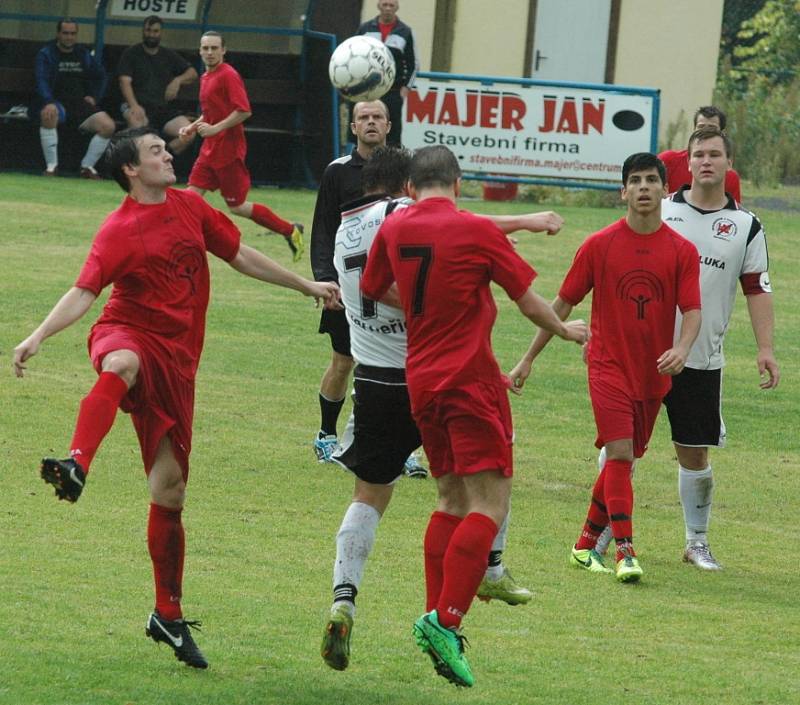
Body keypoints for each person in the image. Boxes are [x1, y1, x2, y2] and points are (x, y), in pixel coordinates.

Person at [12, 127, 340, 670]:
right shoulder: (118, 229)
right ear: (131, 172)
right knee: (121, 363)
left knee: (170, 492)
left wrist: (307, 286)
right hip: (127, 332)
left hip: (179, 363)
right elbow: (85, 292)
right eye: (156, 152)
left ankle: (168, 613)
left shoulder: (190, 207)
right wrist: (38, 335)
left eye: (165, 148)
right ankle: (76, 462)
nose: (168, 155)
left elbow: (241, 255)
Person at [320, 146, 564, 671]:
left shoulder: (373, 228)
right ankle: (447, 616)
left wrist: (418, 303)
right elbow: (525, 296)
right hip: (468, 378)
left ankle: (389, 605)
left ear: (411, 187)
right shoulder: (475, 229)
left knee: (447, 500)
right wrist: (565, 329)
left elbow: (368, 286)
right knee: (490, 504)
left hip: (411, 380)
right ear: (457, 182)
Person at [509, 153, 702, 584]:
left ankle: (583, 545)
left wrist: (683, 349)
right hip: (606, 367)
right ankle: (625, 551)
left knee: (627, 459)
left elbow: (692, 310)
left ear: (665, 190)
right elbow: (561, 306)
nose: (644, 188)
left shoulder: (682, 251)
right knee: (618, 454)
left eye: (652, 180)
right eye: (635, 181)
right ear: (623, 192)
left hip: (654, 373)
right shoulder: (599, 245)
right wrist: (527, 358)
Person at [660, 126, 778, 569]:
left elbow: (757, 288)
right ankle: (608, 532)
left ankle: (697, 542)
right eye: (698, 154)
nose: (706, 161)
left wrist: (765, 348)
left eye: (714, 154)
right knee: (621, 446)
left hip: (700, 359)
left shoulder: (746, 226)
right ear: (686, 163)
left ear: (729, 165)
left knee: (694, 451)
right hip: (646, 352)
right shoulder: (662, 210)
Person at [311, 99, 428, 473]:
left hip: (394, 291)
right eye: (364, 117)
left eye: (378, 116)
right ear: (353, 127)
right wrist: (325, 280)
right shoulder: (338, 172)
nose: (371, 122)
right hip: (349, 289)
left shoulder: (405, 173)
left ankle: (403, 446)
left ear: (389, 125)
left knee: (400, 366)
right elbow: (323, 230)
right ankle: (327, 434)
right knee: (344, 361)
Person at [178, 31, 304, 262]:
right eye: (205, 48)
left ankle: (290, 230)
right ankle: (182, 245)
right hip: (209, 151)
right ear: (199, 50)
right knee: (189, 199)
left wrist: (216, 129)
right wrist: (193, 127)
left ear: (224, 50)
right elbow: (209, 113)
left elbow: (244, 110)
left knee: (237, 207)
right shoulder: (206, 77)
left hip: (228, 153)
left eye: (214, 48)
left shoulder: (228, 75)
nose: (209, 52)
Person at [32, 18, 116, 178]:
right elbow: (41, 80)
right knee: (48, 114)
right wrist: (49, 101)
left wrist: (94, 96)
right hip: (55, 102)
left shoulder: (82, 53)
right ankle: (52, 167)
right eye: (65, 33)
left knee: (108, 126)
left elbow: (101, 76)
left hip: (78, 103)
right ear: (58, 34)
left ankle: (87, 167)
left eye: (72, 33)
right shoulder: (46, 53)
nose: (69, 37)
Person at [118, 15, 199, 155]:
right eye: (148, 30)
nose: (151, 34)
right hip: (136, 105)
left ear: (161, 33)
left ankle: (162, 157)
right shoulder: (131, 53)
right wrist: (134, 105)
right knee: (138, 128)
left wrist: (177, 81)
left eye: (155, 31)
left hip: (162, 108)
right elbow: (124, 82)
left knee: (188, 132)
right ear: (143, 31)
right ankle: (134, 167)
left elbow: (192, 73)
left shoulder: (168, 55)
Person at [355, 0, 418, 146]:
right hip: (368, 91)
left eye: (391, 5)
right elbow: (355, 55)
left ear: (397, 7)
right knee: (364, 128)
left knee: (391, 133)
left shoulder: (405, 31)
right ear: (379, 6)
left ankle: (392, 165)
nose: (388, 9)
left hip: (393, 92)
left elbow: (413, 64)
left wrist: (406, 88)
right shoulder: (365, 28)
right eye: (385, 5)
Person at [659, 106, 742, 201]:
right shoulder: (668, 160)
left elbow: (733, 211)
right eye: (701, 127)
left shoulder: (730, 176)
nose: (705, 132)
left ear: (722, 133)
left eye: (712, 128)